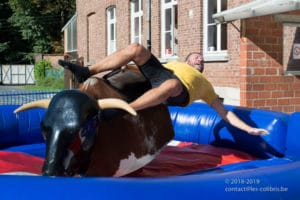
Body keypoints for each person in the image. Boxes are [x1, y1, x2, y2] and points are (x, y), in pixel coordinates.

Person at [58, 43, 268, 136]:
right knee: (137, 49)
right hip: (160, 76)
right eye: (196, 57)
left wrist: (249, 129)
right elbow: (150, 65)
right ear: (186, 60)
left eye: (202, 59)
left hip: (179, 91)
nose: (200, 59)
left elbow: (225, 113)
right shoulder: (175, 63)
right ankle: (87, 70)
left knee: (172, 84)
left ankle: (124, 109)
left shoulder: (206, 86)